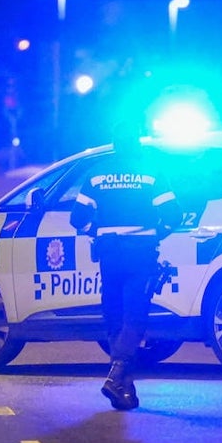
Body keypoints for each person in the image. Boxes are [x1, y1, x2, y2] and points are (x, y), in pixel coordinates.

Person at [70, 121, 180, 410]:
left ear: (114, 144)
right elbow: (173, 216)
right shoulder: (152, 173)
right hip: (140, 252)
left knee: (114, 315)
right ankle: (116, 374)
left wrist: (96, 231)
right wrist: (157, 233)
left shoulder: (96, 175)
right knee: (135, 316)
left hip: (109, 254)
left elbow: (77, 219)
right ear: (138, 143)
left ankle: (124, 390)